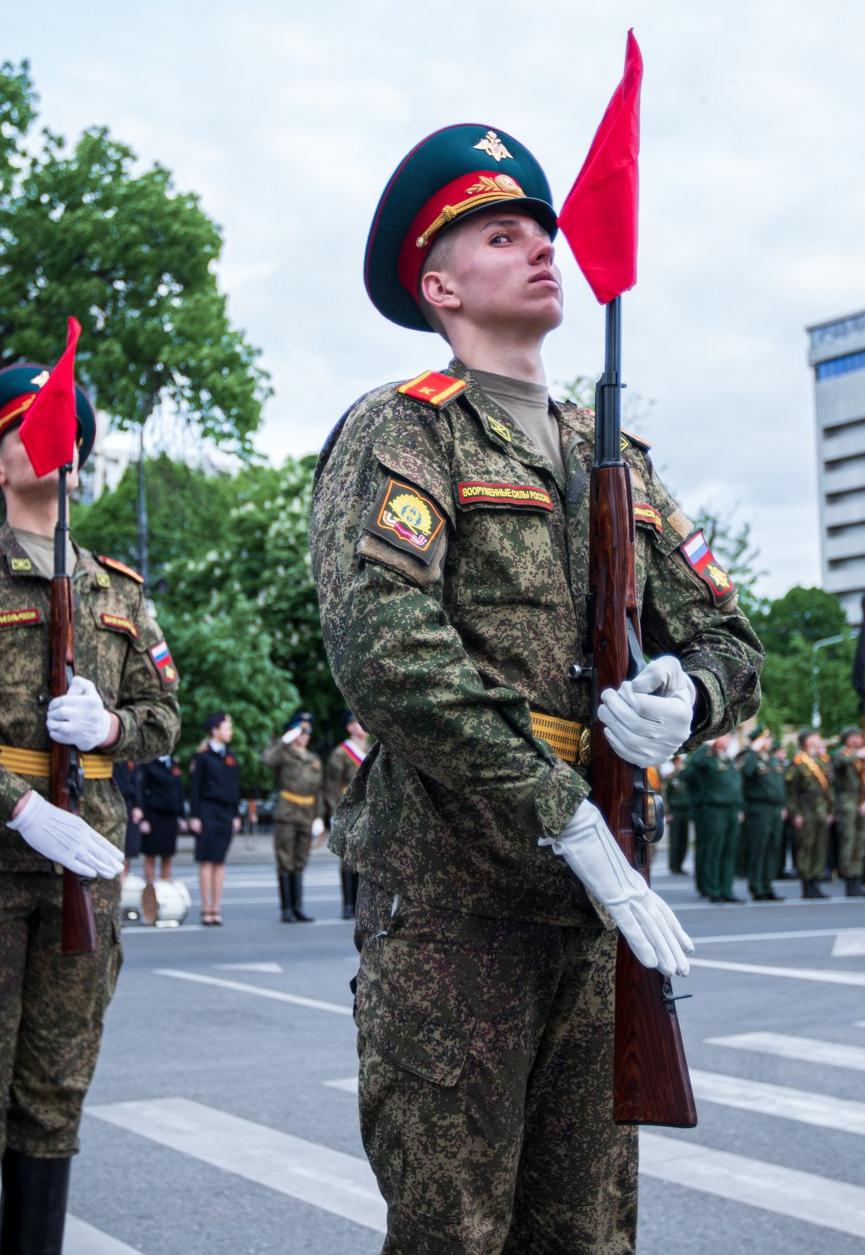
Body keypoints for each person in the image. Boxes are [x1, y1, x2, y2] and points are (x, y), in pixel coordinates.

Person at [312, 121, 762, 1251]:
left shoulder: (614, 456)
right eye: (500, 233)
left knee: (587, 1234)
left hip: (599, 905)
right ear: (439, 283)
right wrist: (554, 807)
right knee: (453, 1230)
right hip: (458, 902)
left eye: (544, 229)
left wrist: (687, 696)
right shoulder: (405, 429)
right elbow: (387, 651)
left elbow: (728, 636)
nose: (540, 249)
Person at [0, 360, 181, 1255]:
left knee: (54, 1089)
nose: (59, 444)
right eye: (30, 430)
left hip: (80, 863)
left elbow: (165, 717)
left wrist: (111, 725)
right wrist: (16, 804)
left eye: (71, 435)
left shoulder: (119, 590)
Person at [260, 713, 322, 923]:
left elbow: (318, 791)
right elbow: (266, 760)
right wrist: (282, 741)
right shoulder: (284, 754)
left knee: (300, 861)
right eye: (300, 732)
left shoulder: (313, 759)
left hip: (307, 814)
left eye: (307, 733)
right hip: (287, 813)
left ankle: (298, 907)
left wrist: (319, 817)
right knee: (285, 860)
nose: (305, 736)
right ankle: (286, 909)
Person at [187, 713, 243, 927]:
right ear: (215, 730)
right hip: (207, 811)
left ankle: (216, 907)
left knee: (220, 860)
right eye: (226, 728)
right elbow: (195, 789)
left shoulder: (230, 756)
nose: (230, 732)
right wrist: (194, 816)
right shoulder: (202, 756)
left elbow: (235, 788)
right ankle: (206, 907)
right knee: (206, 860)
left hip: (226, 813)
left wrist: (236, 814)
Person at [684, 733, 744, 904]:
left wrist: (739, 807)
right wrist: (706, 745)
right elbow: (689, 770)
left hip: (731, 810)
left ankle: (726, 889)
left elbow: (734, 786)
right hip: (714, 810)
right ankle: (712, 888)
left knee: (729, 851)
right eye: (725, 736)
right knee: (713, 850)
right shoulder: (706, 757)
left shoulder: (727, 759)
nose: (728, 740)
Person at [322, 713, 372, 919]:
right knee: (348, 859)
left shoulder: (372, 749)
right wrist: (334, 812)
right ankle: (349, 904)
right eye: (355, 723)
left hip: (370, 808)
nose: (360, 727)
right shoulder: (341, 753)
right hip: (349, 808)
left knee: (368, 858)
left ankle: (364, 904)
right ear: (349, 727)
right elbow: (332, 786)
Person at [738, 730, 787, 902]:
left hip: (775, 810)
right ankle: (757, 886)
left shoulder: (773, 760)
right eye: (764, 739)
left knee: (772, 849)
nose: (768, 741)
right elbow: (745, 773)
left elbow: (779, 785)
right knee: (759, 849)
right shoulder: (751, 758)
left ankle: (768, 885)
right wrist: (752, 751)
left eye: (768, 738)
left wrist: (782, 805)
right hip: (759, 810)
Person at [787, 733, 833, 900]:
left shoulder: (821, 762)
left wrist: (830, 811)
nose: (819, 740)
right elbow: (791, 793)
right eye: (815, 738)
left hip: (821, 811)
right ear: (807, 742)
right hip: (806, 812)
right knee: (807, 847)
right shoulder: (799, 763)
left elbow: (828, 790)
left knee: (820, 847)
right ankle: (807, 884)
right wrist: (796, 814)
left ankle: (815, 881)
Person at [831, 725, 865, 898]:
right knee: (848, 842)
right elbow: (838, 764)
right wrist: (858, 755)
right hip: (848, 802)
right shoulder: (842, 754)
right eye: (856, 737)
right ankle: (849, 879)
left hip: (863, 803)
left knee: (860, 843)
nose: (860, 740)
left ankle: (857, 877)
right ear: (848, 739)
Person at [135, 755, 185, 892]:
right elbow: (141, 791)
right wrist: (144, 818)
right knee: (150, 855)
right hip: (153, 815)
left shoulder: (173, 764)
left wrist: (182, 816)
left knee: (167, 855)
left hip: (171, 816)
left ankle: (164, 892)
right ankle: (151, 892)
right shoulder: (148, 763)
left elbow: (178, 790)